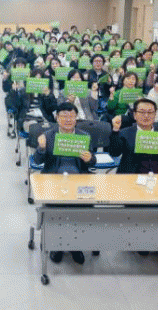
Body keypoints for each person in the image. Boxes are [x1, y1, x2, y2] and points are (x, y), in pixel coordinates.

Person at [108, 98, 158, 259]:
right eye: (142, 112)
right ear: (134, 115)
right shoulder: (126, 132)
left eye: (150, 112)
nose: (146, 116)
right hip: (134, 178)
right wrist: (115, 130)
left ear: (155, 114)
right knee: (141, 208)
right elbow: (114, 152)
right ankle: (141, 239)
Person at [34, 102, 97, 265]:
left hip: (79, 179)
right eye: (64, 116)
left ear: (76, 118)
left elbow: (93, 161)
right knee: (57, 212)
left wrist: (90, 158)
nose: (68, 119)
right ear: (57, 118)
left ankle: (76, 246)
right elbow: (37, 161)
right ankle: (56, 246)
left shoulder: (84, 136)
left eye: (71, 116)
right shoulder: (48, 135)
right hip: (53, 179)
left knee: (80, 212)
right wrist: (41, 148)